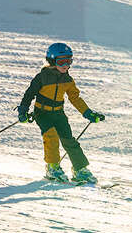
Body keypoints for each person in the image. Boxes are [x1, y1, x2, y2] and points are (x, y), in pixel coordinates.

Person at [17, 43, 105, 183]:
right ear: (52, 61)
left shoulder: (68, 80)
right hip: (42, 113)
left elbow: (75, 98)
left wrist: (88, 113)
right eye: (62, 61)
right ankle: (53, 167)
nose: (66, 65)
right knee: (51, 137)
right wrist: (23, 110)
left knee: (69, 140)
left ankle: (80, 170)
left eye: (69, 61)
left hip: (59, 114)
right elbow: (29, 94)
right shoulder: (42, 77)